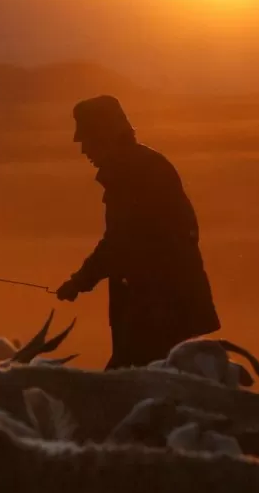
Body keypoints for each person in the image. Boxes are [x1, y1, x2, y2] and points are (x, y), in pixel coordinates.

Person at [55, 95, 220, 369]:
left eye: (87, 141)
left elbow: (120, 242)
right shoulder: (145, 164)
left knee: (128, 386)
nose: (84, 150)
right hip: (169, 304)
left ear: (103, 137)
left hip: (157, 311)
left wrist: (79, 281)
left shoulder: (129, 173)